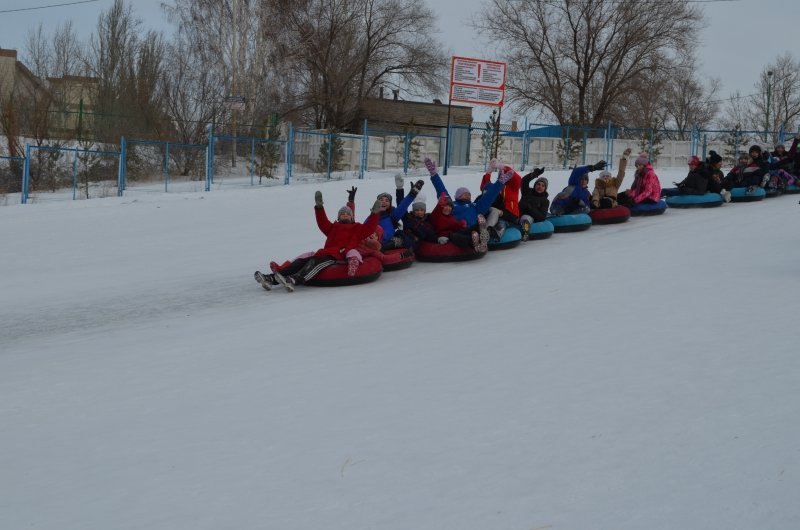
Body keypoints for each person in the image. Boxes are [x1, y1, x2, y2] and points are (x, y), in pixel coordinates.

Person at [254, 191, 381, 290]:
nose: (345, 215)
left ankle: (295, 279)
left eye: (347, 214)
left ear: (352, 217)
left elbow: (370, 228)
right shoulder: (333, 227)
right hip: (325, 252)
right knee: (301, 261)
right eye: (342, 214)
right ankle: (271, 279)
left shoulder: (357, 228)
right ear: (338, 216)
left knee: (315, 262)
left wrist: (374, 213)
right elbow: (322, 222)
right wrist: (319, 207)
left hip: (338, 256)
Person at [425, 157, 513, 251]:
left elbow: (488, 198)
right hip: (455, 230)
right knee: (458, 235)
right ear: (458, 196)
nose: (468, 195)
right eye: (465, 193)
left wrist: (499, 183)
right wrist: (434, 175)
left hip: (471, 228)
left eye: (469, 194)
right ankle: (476, 241)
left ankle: (483, 236)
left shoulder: (474, 206)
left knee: (479, 224)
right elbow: (441, 191)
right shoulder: (451, 204)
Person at [479, 159, 521, 239]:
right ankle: (485, 231)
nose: (504, 176)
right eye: (502, 174)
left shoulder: (513, 187)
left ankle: (489, 234)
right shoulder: (497, 186)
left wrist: (501, 167)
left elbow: (517, 178)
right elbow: (485, 187)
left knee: (499, 219)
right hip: (497, 211)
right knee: (490, 211)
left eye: (506, 174)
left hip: (510, 213)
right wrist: (488, 172)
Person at [518, 167, 549, 241]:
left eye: (543, 186)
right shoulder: (527, 192)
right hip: (517, 214)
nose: (540, 187)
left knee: (526, 218)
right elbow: (524, 181)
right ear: (535, 185)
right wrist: (533, 175)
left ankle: (525, 233)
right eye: (538, 184)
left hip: (529, 218)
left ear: (545, 188)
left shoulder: (545, 201)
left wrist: (530, 208)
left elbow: (542, 217)